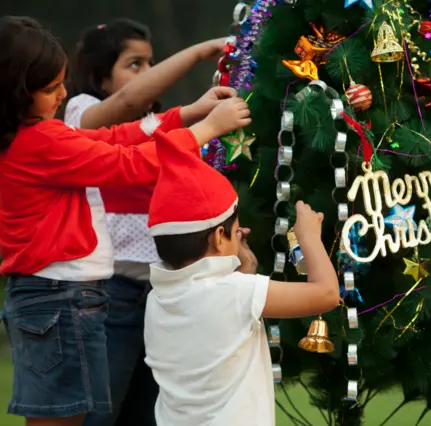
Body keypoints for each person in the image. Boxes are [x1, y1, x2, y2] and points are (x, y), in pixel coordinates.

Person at [0, 16, 250, 426]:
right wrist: (205, 129)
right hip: (60, 299)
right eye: (50, 88)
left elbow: (115, 137)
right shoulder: (39, 141)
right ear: (15, 93)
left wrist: (185, 113)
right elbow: (127, 163)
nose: (63, 94)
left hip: (67, 298)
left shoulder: (38, 135)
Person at [64, 18, 234, 426]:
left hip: (164, 293)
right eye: (135, 64)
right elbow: (123, 106)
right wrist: (197, 53)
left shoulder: (160, 124)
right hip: (109, 295)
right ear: (99, 73)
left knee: (151, 415)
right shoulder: (80, 113)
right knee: (98, 415)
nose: (148, 74)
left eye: (150, 63)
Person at [143, 127, 340, 426]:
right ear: (219, 237)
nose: (241, 233)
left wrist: (242, 269)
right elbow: (326, 294)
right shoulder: (236, 293)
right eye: (236, 229)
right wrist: (309, 236)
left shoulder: (156, 301)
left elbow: (221, 328)